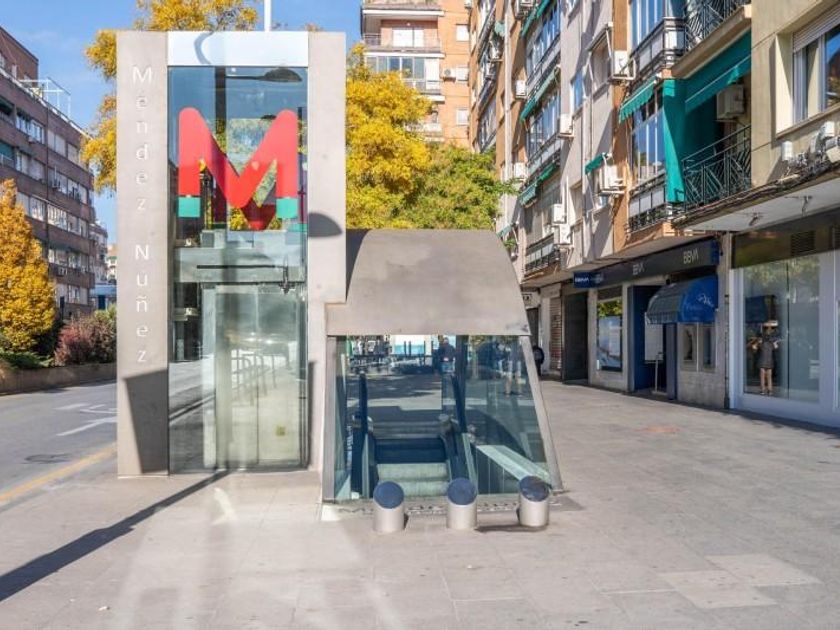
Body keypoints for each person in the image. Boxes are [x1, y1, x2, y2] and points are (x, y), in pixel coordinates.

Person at [748, 321, 779, 395]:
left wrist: (755, 345)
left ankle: (763, 390)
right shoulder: (772, 341)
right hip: (769, 359)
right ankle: (769, 390)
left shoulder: (761, 341)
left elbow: (754, 347)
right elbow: (776, 348)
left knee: (763, 375)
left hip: (763, 359)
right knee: (769, 376)